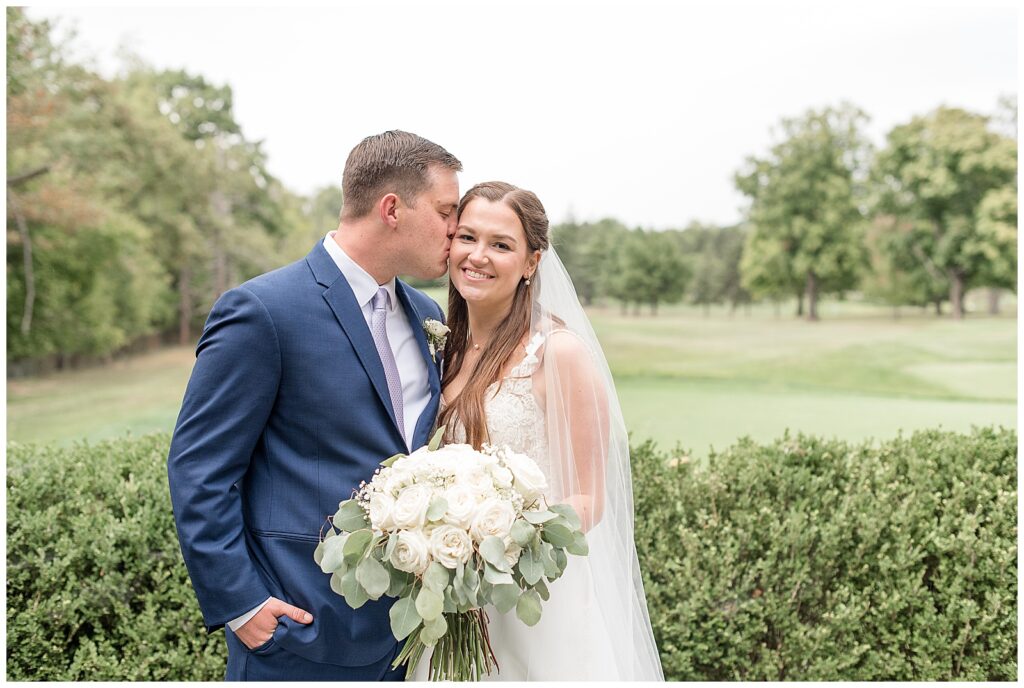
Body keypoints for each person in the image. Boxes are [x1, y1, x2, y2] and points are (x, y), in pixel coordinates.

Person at [167, 131, 461, 681]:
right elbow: (200, 468)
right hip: (298, 631)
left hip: (406, 640)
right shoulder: (263, 311)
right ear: (392, 209)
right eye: (447, 210)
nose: (456, 227)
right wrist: (243, 605)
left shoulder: (427, 314)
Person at [413, 181, 664, 680]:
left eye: (501, 244)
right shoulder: (438, 346)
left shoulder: (558, 353)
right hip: (451, 594)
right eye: (467, 237)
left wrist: (500, 538)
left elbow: (589, 497)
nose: (477, 256)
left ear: (532, 262)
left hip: (534, 599)